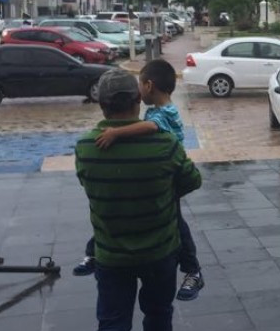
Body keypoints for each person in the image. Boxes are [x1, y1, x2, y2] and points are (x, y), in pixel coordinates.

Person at [75, 69, 202, 331]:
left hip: (112, 256)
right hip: (160, 253)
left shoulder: (86, 148)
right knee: (158, 319)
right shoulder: (164, 144)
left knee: (112, 328)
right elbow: (192, 181)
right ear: (136, 101)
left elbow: (87, 185)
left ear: (101, 105)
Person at [74, 60, 205, 301]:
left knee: (174, 225)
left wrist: (115, 133)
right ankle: (92, 252)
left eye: (140, 86)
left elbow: (150, 127)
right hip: (165, 175)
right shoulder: (158, 109)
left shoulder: (165, 113)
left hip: (171, 172)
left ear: (148, 85)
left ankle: (192, 268)